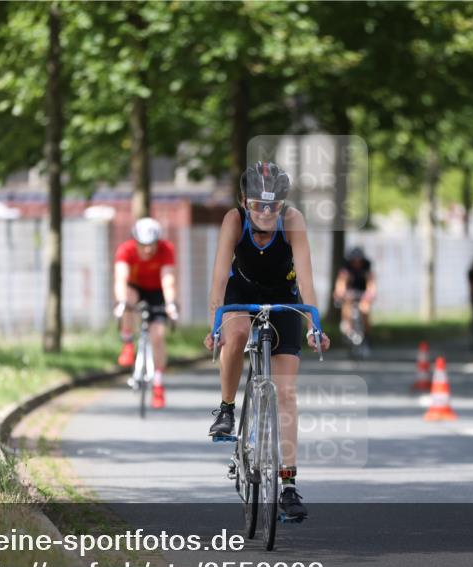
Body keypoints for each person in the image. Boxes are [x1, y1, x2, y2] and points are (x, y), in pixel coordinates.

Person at [204, 161, 330, 520]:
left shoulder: (292, 221)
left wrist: (313, 324)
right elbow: (218, 275)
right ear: (245, 202)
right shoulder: (233, 220)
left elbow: (305, 277)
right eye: (258, 204)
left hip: (284, 297)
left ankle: (288, 485)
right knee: (238, 332)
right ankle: (227, 409)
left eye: (273, 205)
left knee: (287, 392)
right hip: (241, 291)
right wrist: (215, 325)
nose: (265, 212)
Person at [114, 217, 179, 409]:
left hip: (157, 291)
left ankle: (158, 383)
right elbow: (120, 279)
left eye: (152, 245)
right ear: (136, 242)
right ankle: (127, 344)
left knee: (157, 336)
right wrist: (120, 302)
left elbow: (168, 279)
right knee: (127, 299)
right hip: (135, 287)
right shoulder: (125, 250)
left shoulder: (166, 249)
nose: (148, 250)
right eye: (143, 245)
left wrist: (171, 304)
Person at [333, 246, 377, 344]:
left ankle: (367, 334)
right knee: (347, 304)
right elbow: (341, 283)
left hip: (363, 293)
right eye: (354, 260)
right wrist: (340, 293)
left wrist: (371, 293)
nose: (356, 262)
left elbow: (371, 282)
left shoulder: (366, 267)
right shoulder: (346, 268)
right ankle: (347, 327)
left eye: (359, 260)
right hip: (350, 293)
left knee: (365, 308)